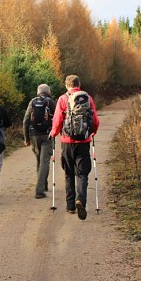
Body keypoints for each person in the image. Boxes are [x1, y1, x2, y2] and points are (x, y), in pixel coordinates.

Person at [49, 75, 99, 220]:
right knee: (82, 174)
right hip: (83, 142)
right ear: (79, 84)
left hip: (67, 142)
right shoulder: (87, 98)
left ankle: (70, 206)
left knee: (68, 173)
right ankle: (81, 200)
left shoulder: (63, 99)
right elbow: (95, 120)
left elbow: (57, 119)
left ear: (66, 85)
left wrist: (53, 133)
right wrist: (92, 131)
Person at [23, 84, 57, 199]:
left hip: (34, 135)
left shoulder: (32, 102)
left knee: (39, 160)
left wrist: (26, 138)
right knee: (44, 162)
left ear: (38, 92)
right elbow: (58, 118)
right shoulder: (51, 102)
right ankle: (40, 190)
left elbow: (26, 120)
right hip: (47, 135)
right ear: (49, 92)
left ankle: (43, 185)